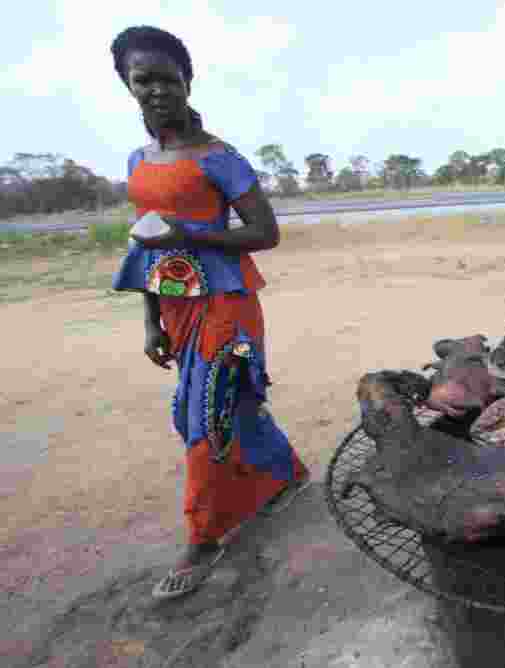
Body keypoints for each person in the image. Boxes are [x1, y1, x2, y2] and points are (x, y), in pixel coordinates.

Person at [109, 26, 311, 599]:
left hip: (226, 303)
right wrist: (151, 320)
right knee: (225, 403)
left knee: (206, 413)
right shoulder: (137, 161)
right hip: (176, 306)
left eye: (168, 79)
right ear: (127, 85)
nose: (156, 90)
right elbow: (145, 243)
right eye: (143, 80)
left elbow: (265, 232)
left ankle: (203, 537)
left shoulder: (220, 158)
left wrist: (191, 233)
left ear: (188, 82)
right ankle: (285, 476)